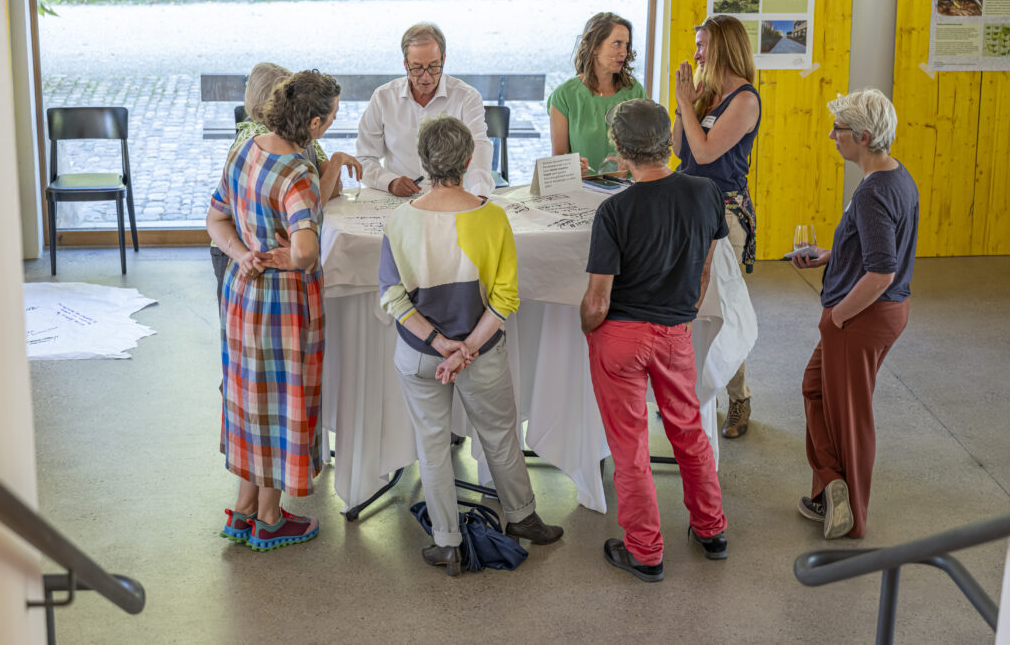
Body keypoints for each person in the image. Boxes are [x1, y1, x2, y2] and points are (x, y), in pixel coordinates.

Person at [379, 115, 563, 576]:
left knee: (433, 445)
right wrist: (468, 348)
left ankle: (446, 542)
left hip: (420, 355)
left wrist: (442, 345)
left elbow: (392, 297)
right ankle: (522, 517)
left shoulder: (398, 220)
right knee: (500, 436)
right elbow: (505, 299)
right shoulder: (493, 217)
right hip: (481, 355)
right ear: (468, 160)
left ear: (423, 162)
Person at [581, 99, 729, 583]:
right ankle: (711, 530)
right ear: (668, 140)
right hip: (674, 332)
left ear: (619, 149)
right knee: (688, 431)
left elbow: (598, 302)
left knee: (630, 447)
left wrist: (586, 326)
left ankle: (645, 551)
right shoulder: (707, 193)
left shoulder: (613, 210)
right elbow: (704, 272)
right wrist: (678, 312)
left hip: (621, 336)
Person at [207, 70, 342, 551]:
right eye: (329, 118)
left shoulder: (246, 149)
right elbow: (305, 249)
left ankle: (244, 508)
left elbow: (215, 216)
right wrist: (294, 257)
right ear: (313, 122)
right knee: (283, 404)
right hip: (283, 303)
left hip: (242, 291)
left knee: (249, 401)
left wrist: (243, 252)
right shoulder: (299, 174)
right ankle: (269, 517)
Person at [792, 89, 918, 540]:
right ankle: (831, 484)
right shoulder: (895, 177)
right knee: (815, 388)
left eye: (839, 130)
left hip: (863, 318)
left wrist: (837, 317)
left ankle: (852, 516)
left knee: (851, 415)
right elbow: (879, 251)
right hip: (877, 314)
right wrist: (832, 255)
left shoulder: (873, 193)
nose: (832, 136)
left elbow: (882, 272)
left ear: (862, 136)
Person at [673, 14, 761, 440]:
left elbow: (705, 154)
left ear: (724, 46)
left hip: (724, 213)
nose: (697, 53)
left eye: (703, 44)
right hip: (689, 206)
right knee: (687, 303)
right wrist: (683, 104)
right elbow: (679, 148)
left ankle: (738, 396)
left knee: (720, 306)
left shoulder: (744, 100)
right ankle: (690, 392)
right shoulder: (708, 94)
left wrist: (689, 106)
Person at [210, 61, 361, 304]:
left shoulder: (258, 145)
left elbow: (215, 216)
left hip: (245, 268)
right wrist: (302, 256)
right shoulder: (298, 165)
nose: (335, 117)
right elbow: (313, 209)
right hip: (261, 268)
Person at [356, 23, 495, 198]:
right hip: (400, 199)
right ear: (405, 65)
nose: (426, 77)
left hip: (455, 197)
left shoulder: (466, 97)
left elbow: (479, 147)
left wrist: (479, 195)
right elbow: (364, 157)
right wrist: (390, 182)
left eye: (434, 66)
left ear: (443, 60)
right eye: (417, 68)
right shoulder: (383, 97)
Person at [548, 12, 646, 176]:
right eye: (617, 43)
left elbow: (649, 152)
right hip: (582, 192)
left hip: (628, 191)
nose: (624, 52)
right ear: (595, 47)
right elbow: (558, 159)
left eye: (626, 45)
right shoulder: (564, 95)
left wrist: (633, 162)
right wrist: (572, 167)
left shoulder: (635, 91)